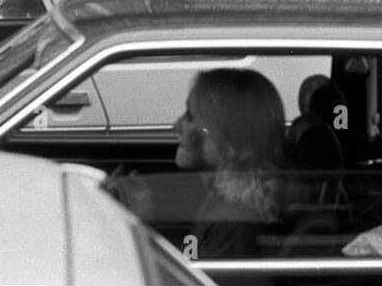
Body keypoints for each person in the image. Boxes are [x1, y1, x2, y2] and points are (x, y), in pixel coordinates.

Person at [112, 68, 287, 260]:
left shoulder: (233, 223)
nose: (176, 125)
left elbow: (190, 273)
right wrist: (143, 220)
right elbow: (190, 257)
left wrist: (137, 225)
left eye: (190, 117)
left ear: (234, 145)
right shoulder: (218, 203)